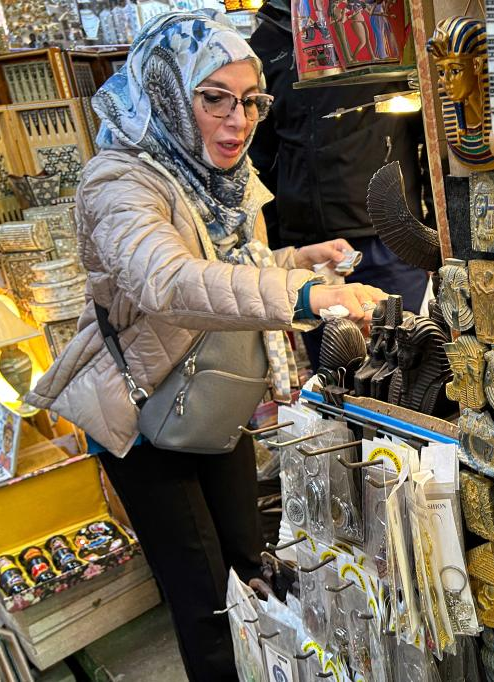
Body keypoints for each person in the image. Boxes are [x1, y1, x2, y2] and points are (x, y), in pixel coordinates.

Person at [24, 12, 385, 681]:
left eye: (250, 100)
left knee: (250, 563)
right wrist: (303, 295)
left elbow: (227, 270)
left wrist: (298, 260)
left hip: (211, 400)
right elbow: (169, 283)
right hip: (143, 416)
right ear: (165, 92)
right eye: (214, 98)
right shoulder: (118, 182)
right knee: (205, 601)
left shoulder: (221, 180)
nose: (237, 120)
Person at [248, 0, 430, 370]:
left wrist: (436, 234)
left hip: (387, 238)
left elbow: (427, 132)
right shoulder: (268, 39)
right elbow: (260, 155)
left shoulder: (380, 17)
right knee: (335, 375)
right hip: (310, 249)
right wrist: (277, 247)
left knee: (407, 369)